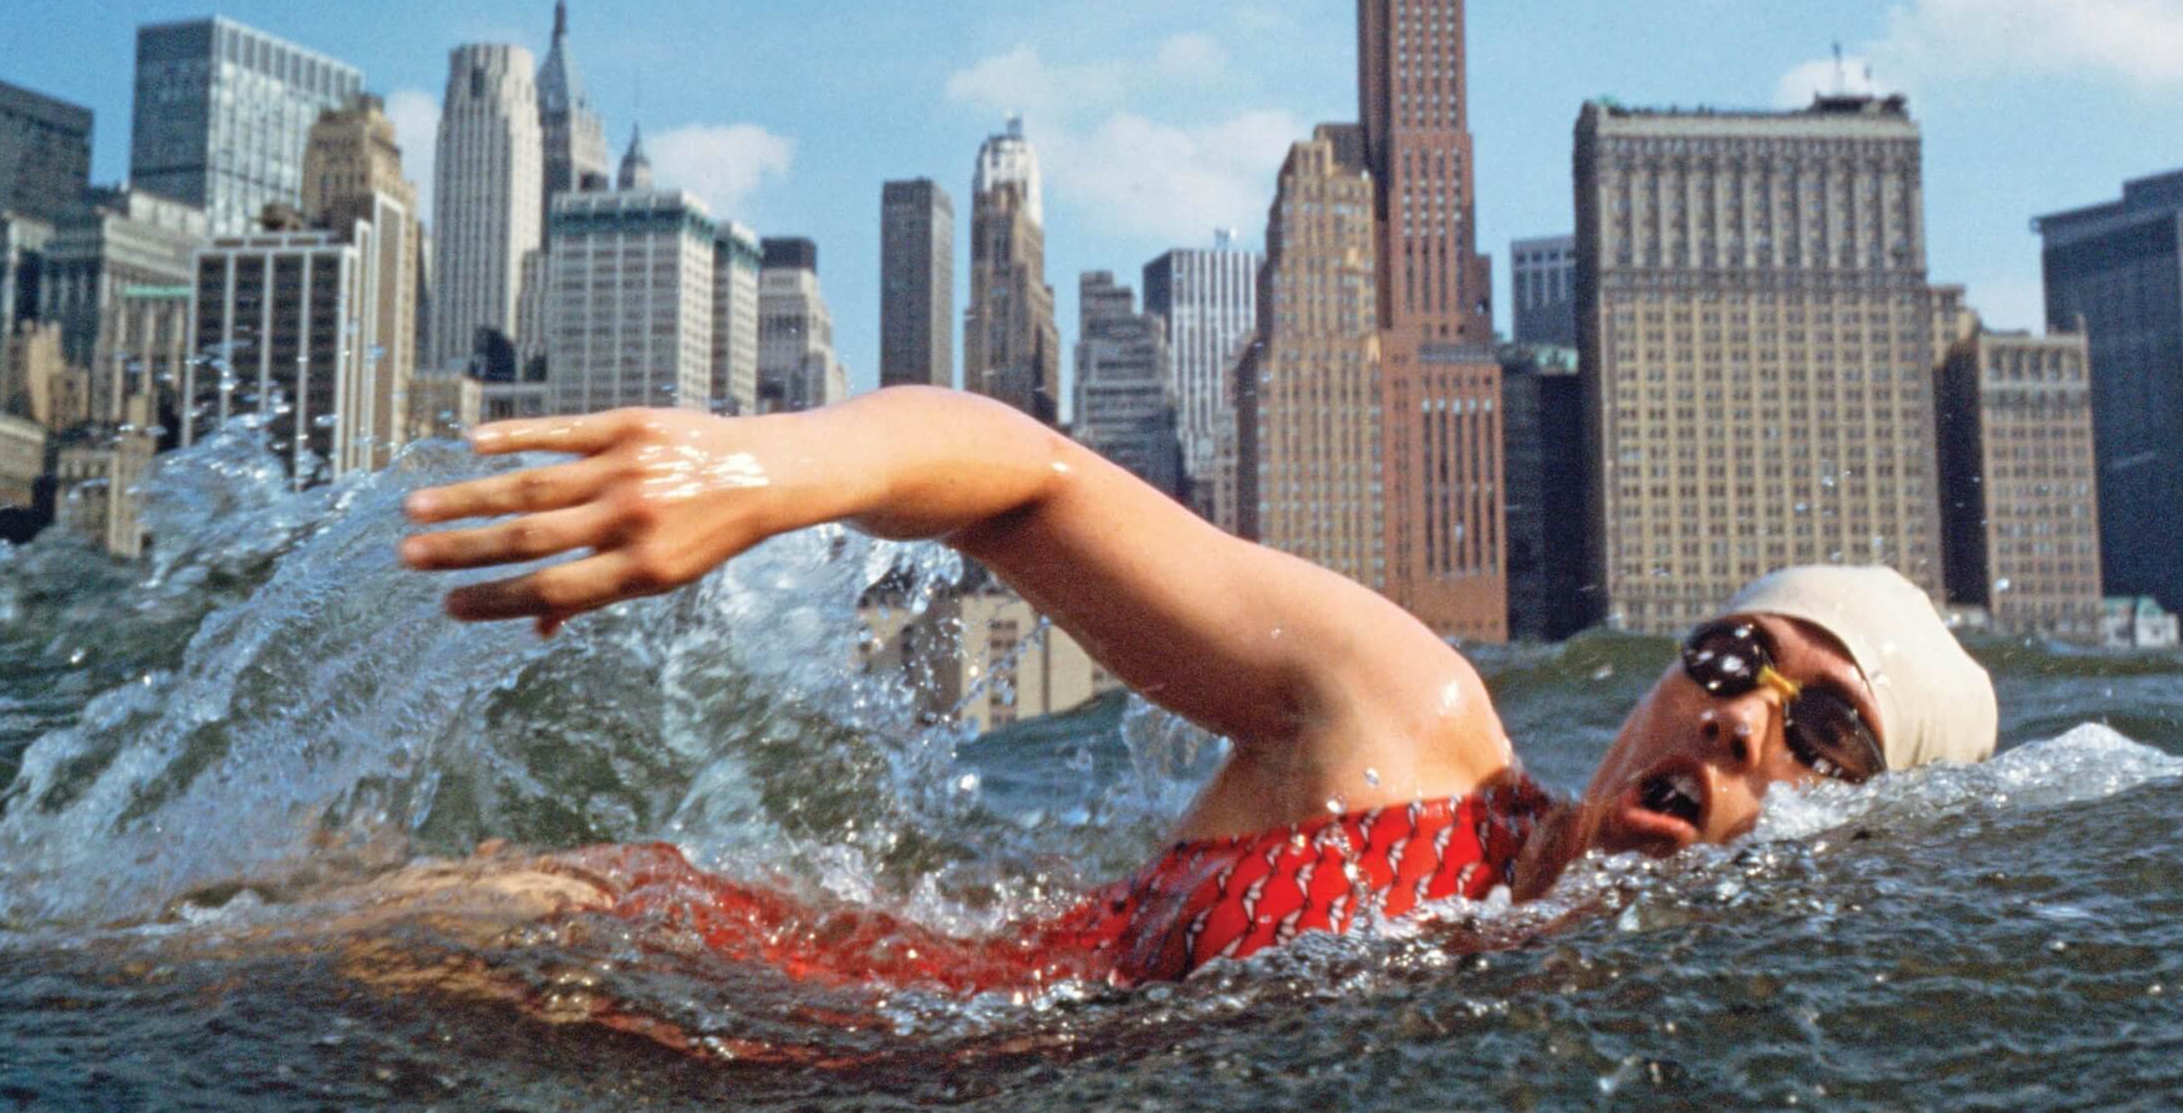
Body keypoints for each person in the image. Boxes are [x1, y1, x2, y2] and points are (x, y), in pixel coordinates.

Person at [397, 387, 1997, 989]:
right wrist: (766, 468)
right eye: (1730, 661)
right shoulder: (1408, 729)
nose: (1737, 716)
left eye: (1820, 728)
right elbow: (1025, 481)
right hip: (701, 976)